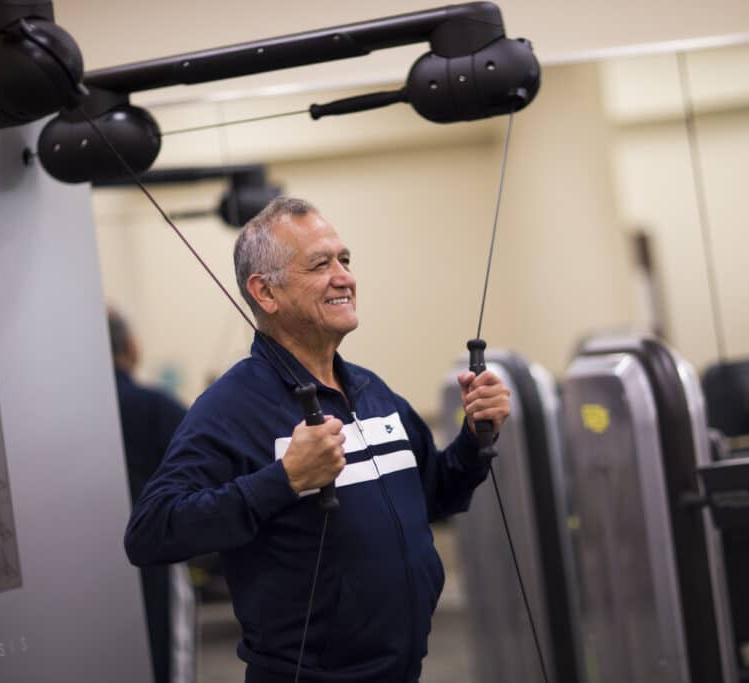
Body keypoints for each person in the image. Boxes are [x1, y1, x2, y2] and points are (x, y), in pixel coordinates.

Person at [124, 197, 511, 683]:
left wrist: (476, 440)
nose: (343, 276)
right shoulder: (231, 408)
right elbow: (151, 532)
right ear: (266, 293)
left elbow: (435, 493)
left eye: (344, 260)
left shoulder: (371, 391)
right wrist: (283, 481)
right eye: (320, 264)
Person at [109, 309, 193, 683]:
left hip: (87, 560)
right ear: (131, 346)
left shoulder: (71, 416)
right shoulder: (155, 406)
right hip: (154, 559)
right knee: (165, 655)